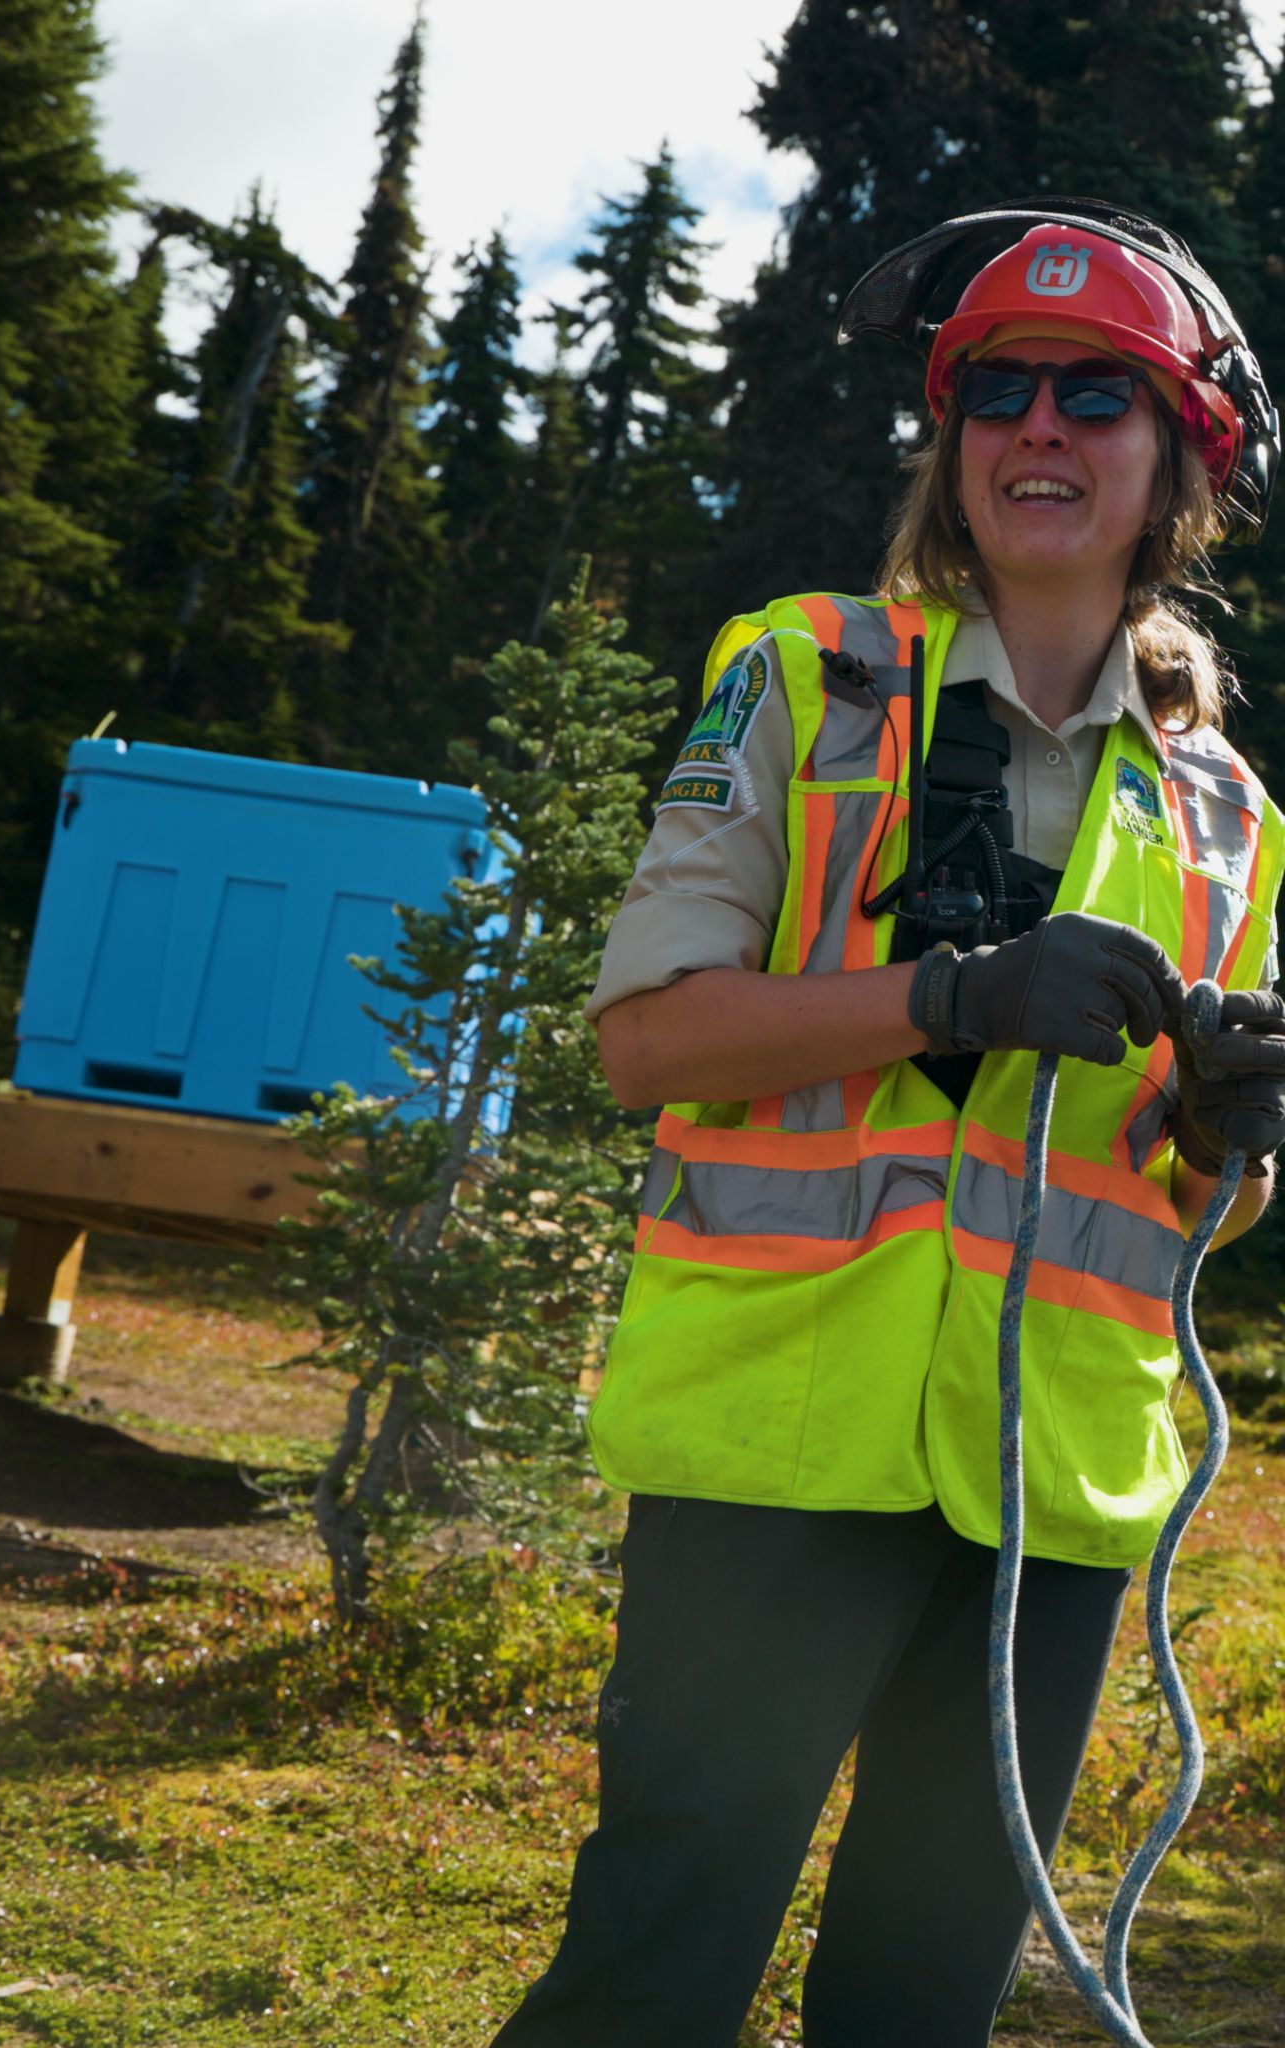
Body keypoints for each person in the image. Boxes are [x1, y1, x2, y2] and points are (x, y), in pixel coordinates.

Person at [490, 204, 1285, 2048]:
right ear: (949, 437)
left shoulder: (1232, 818)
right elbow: (647, 1040)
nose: (1038, 427)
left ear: (1181, 457)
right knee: (653, 1972)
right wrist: (952, 997)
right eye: (996, 389)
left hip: (1050, 1489)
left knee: (923, 2001)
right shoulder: (804, 676)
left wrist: (1229, 1136)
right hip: (775, 1445)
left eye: (1096, 394)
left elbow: (1196, 1206)